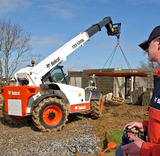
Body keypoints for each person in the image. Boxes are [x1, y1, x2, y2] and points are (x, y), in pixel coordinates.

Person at [121, 26, 160, 156]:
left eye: (148, 45)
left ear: (159, 42)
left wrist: (144, 149)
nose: (147, 50)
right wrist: (146, 126)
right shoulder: (158, 78)